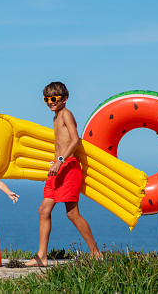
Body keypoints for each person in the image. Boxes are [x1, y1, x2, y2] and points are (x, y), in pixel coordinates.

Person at [25, 81, 103, 267]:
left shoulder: (66, 114)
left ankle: (96, 253)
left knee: (72, 214)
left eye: (54, 98)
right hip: (57, 168)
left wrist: (60, 161)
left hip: (67, 167)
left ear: (65, 99)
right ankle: (41, 256)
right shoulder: (55, 117)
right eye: (46, 99)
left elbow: (75, 140)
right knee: (43, 210)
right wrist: (55, 163)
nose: (50, 102)